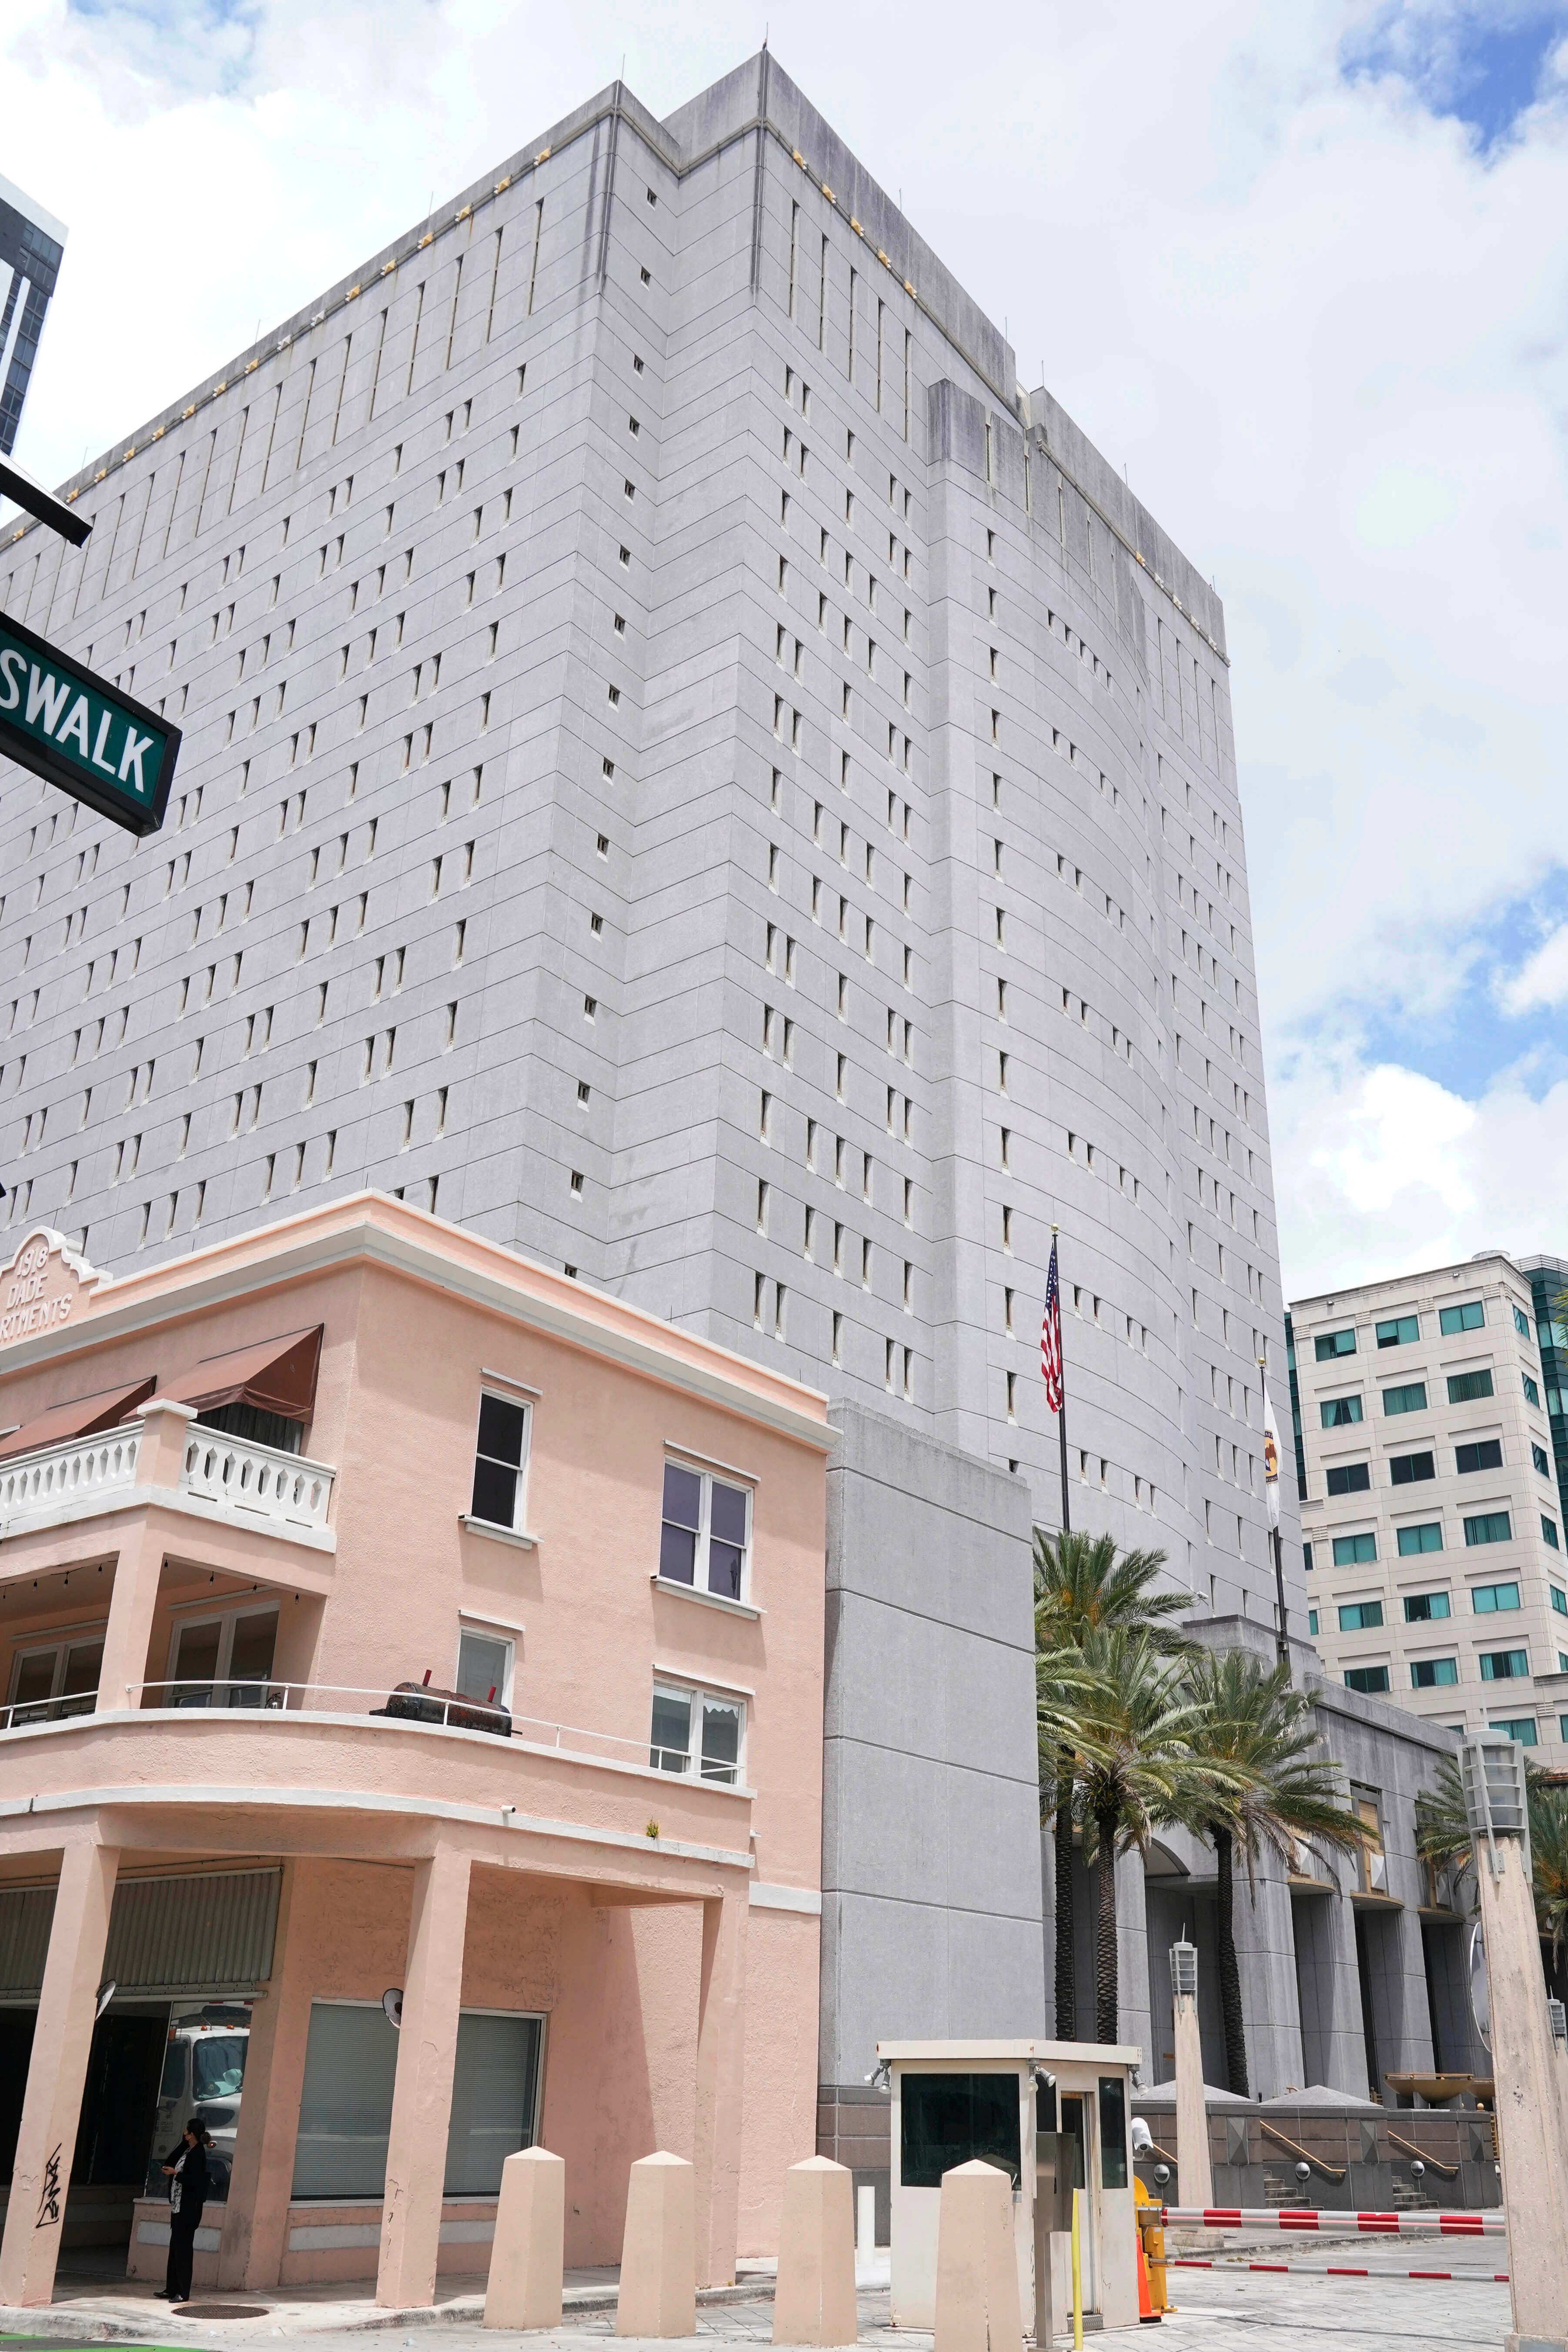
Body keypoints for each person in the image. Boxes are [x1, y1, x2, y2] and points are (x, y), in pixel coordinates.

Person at [157, 2118, 211, 2303]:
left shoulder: (198, 2154)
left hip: (188, 2210)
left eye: (186, 2132)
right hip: (178, 2207)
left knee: (183, 2251)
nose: (184, 2134)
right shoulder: (188, 2150)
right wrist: (184, 2143)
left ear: (193, 2134)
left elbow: (193, 2180)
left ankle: (183, 2292)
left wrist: (175, 2174)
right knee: (175, 2249)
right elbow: (170, 2161)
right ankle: (171, 2288)